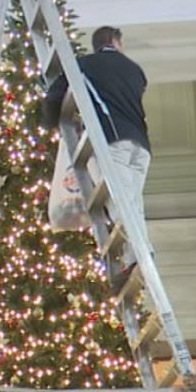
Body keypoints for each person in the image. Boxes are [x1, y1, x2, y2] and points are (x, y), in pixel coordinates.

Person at [41, 26, 152, 292]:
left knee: (119, 204)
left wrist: (48, 123)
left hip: (112, 140)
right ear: (117, 42)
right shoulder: (136, 71)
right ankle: (135, 257)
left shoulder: (85, 65)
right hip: (141, 147)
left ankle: (138, 258)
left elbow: (54, 97)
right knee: (133, 205)